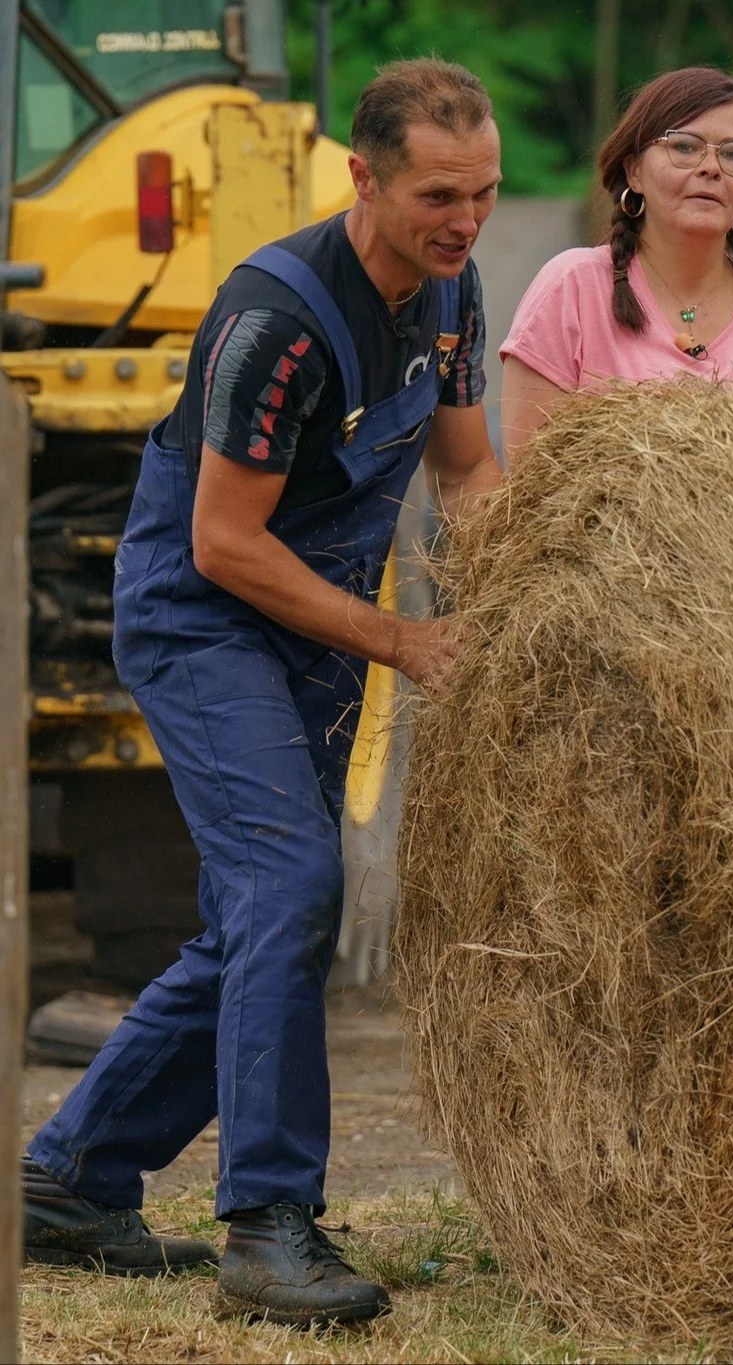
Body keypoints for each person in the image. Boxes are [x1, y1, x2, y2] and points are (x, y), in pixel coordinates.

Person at [19, 59, 503, 1328]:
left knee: (252, 922)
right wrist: (401, 640)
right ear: (365, 179)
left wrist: (536, 602)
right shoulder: (272, 318)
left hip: (317, 623)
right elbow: (226, 545)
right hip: (202, 619)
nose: (465, 221)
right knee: (294, 884)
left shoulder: (450, 292)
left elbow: (467, 475)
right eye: (439, 195)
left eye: (487, 194)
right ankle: (267, 1224)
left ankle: (68, 1181)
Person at [499, 65, 733, 463]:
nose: (711, 167)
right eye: (684, 146)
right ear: (633, 171)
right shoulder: (572, 289)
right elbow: (530, 494)